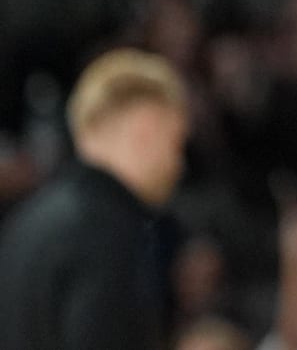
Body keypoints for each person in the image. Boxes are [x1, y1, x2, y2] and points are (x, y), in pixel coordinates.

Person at [0, 47, 191, 350]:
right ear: (145, 130)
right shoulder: (110, 231)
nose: (178, 163)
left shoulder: (23, 223)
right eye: (175, 143)